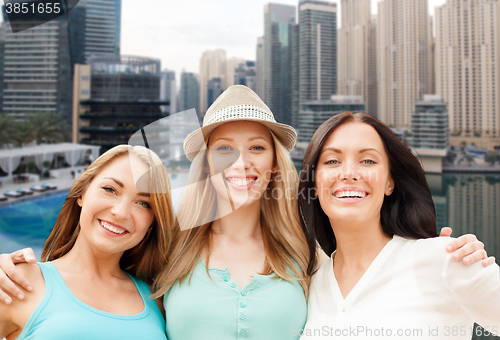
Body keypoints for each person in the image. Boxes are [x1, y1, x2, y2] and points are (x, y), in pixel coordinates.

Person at [0, 88, 492, 339]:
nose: (242, 162)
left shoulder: (308, 253)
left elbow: (370, 278)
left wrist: (433, 255)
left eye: (257, 146)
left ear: (274, 161)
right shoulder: (170, 246)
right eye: (224, 148)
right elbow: (101, 268)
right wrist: (30, 272)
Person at [297, 112, 500, 339]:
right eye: (332, 161)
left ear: (390, 182)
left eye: (368, 161)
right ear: (314, 184)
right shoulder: (309, 284)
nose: (349, 174)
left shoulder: (447, 260)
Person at [0, 145, 173, 340]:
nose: (121, 212)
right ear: (82, 193)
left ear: (152, 223)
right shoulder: (17, 282)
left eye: (143, 203)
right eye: (110, 189)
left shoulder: (158, 298)